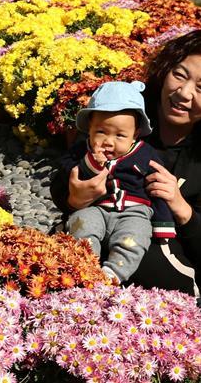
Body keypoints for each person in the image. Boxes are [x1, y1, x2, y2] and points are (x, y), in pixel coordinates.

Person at [51, 29, 201, 299]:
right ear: (165, 70)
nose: (183, 92)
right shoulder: (124, 112)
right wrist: (74, 198)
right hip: (91, 238)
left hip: (157, 266)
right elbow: (63, 179)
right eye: (179, 75)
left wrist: (180, 206)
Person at [66, 80, 174, 285]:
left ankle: (112, 275)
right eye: (101, 132)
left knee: (134, 238)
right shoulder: (81, 150)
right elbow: (66, 172)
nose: (108, 141)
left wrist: (163, 224)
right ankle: (85, 270)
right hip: (94, 207)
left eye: (120, 135)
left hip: (134, 210)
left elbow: (158, 189)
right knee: (81, 226)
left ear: (135, 134)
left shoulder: (146, 155)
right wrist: (91, 163)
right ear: (89, 127)